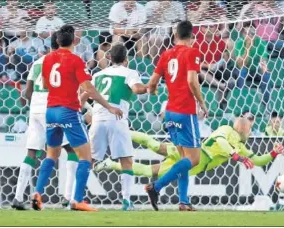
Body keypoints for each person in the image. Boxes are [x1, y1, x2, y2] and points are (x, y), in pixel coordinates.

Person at [33, 24, 123, 212]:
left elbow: (46, 83)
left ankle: (38, 193)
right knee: (85, 156)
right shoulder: (75, 60)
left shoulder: (47, 59)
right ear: (74, 41)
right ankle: (77, 200)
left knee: (51, 154)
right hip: (68, 110)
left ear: (57, 41)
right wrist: (108, 106)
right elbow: (88, 88)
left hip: (51, 110)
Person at [94, 118, 284, 184]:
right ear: (243, 129)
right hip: (189, 154)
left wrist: (274, 153)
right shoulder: (226, 131)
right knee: (154, 145)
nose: (251, 132)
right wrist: (235, 156)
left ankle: (109, 164)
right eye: (250, 129)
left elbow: (259, 161)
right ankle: (121, 131)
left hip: (193, 166)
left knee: (147, 171)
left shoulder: (242, 146)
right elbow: (219, 141)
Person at [12, 32, 80, 210]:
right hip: (53, 108)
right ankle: (67, 198)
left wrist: (24, 98)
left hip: (35, 109)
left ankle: (18, 198)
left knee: (32, 152)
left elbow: (27, 92)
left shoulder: (37, 63)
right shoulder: (64, 60)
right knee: (70, 149)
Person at [147, 20, 206, 211]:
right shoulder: (192, 52)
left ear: (175, 35)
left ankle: (183, 201)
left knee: (183, 158)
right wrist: (202, 103)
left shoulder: (166, 54)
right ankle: (156, 187)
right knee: (194, 159)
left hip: (170, 112)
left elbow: (153, 81)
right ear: (192, 36)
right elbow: (192, 80)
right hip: (185, 111)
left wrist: (153, 90)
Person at [83, 44, 147, 211]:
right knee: (126, 160)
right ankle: (126, 201)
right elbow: (137, 89)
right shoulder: (130, 73)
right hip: (117, 119)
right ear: (126, 59)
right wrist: (150, 86)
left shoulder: (98, 74)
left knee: (90, 160)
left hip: (97, 119)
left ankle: (76, 197)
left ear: (109, 58)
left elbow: (85, 93)